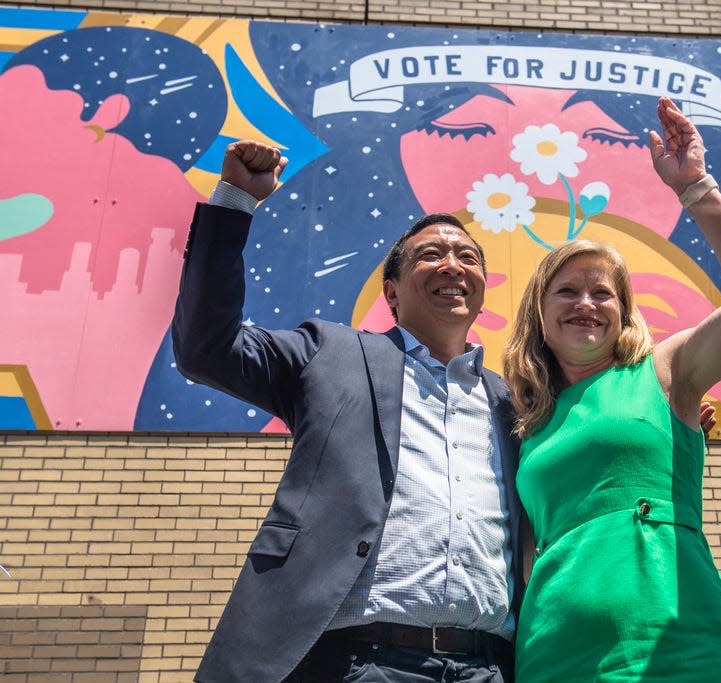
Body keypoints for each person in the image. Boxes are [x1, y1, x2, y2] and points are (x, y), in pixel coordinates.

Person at [172, 141, 523, 682]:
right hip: (361, 662)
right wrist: (236, 201)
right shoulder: (329, 354)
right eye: (430, 254)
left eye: (467, 257)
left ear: (480, 291)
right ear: (392, 292)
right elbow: (205, 347)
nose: (452, 263)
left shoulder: (510, 402)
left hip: (489, 666)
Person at [503, 97, 721, 681]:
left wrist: (697, 190)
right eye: (567, 291)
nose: (586, 303)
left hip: (678, 649)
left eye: (603, 293)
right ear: (539, 311)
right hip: (551, 655)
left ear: (624, 312)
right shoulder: (524, 419)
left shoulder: (665, 370)